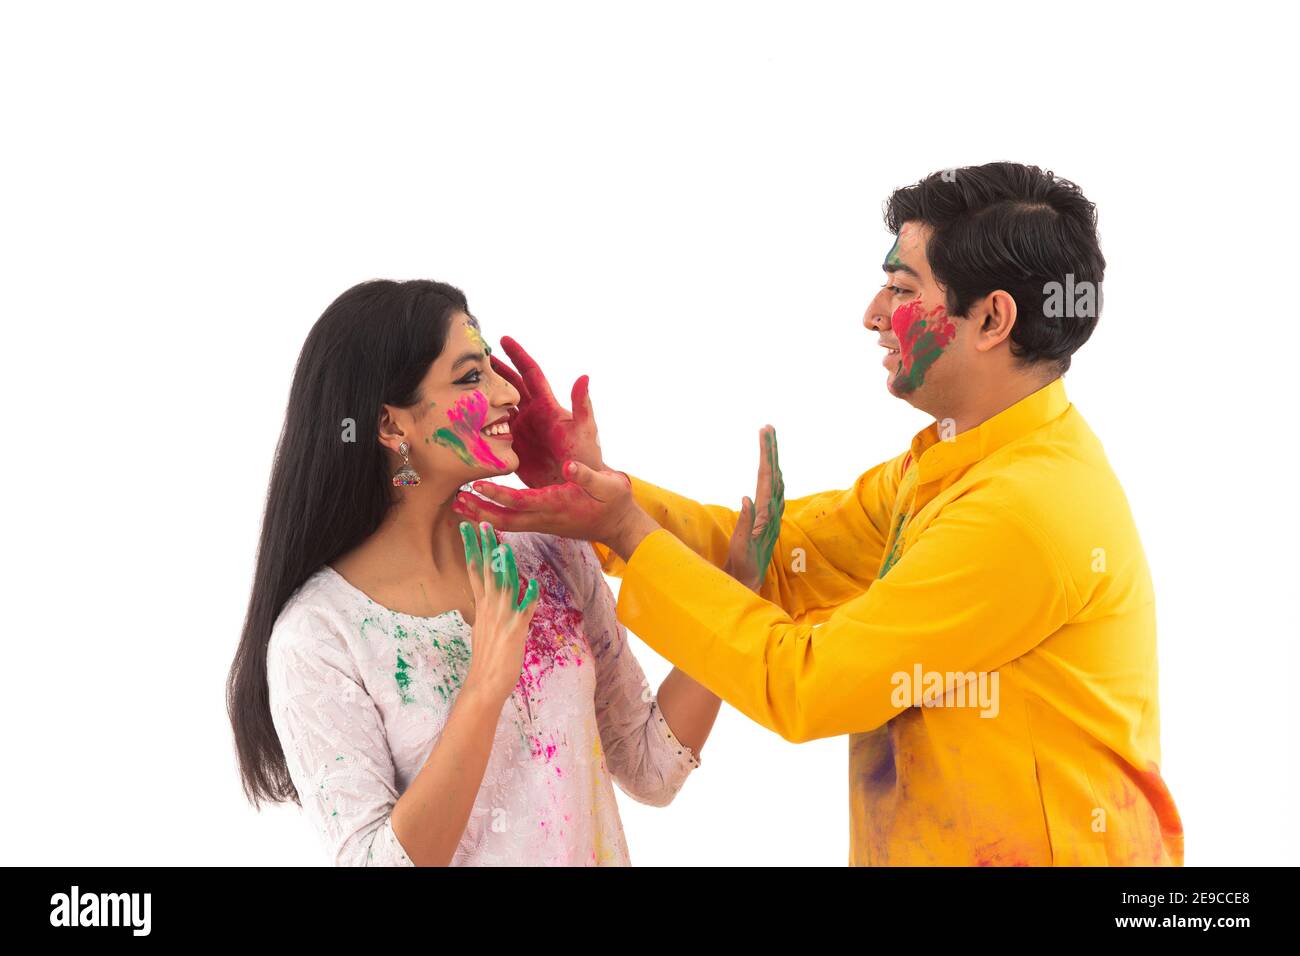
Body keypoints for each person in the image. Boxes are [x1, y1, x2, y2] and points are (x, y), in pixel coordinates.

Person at [454, 162, 1185, 866]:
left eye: (901, 288)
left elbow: (808, 684)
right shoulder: (951, 464)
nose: (872, 316)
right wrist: (594, 489)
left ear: (993, 317)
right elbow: (775, 553)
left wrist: (622, 531)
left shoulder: (1023, 512)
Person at [226, 279, 778, 865]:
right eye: (470, 377)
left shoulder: (545, 552)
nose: (507, 393)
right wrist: (486, 682)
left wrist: (735, 591)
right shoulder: (319, 635)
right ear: (391, 427)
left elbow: (650, 767)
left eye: (492, 369)